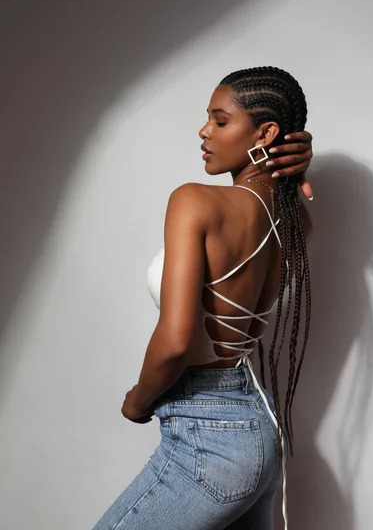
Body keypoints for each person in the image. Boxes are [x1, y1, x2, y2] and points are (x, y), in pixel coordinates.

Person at [92, 66, 313, 530]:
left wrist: (137, 401)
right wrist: (294, 171)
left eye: (220, 120)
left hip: (209, 436)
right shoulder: (292, 224)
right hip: (257, 427)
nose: (204, 130)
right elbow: (285, 195)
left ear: (266, 132)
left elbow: (176, 341)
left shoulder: (194, 201)